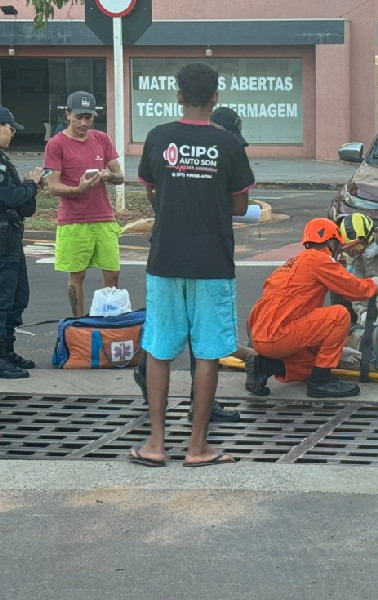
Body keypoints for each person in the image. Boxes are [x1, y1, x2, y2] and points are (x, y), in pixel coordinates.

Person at [133, 62, 255, 468]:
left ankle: (154, 443)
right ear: (216, 97)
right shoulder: (229, 145)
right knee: (206, 354)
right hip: (212, 261)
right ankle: (198, 447)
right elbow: (240, 204)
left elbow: (152, 192)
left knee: (159, 349)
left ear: (179, 95)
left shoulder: (158, 137)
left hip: (164, 256)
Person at [246, 218, 378, 399]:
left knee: (314, 362)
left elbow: (302, 317)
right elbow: (353, 290)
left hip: (262, 335)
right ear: (331, 241)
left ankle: (263, 367)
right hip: (278, 334)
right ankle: (321, 382)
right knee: (339, 315)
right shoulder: (319, 259)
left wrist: (338, 352)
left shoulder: (294, 261)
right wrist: (373, 285)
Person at [44, 90, 125, 317]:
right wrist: (78, 189)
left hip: (104, 217)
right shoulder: (56, 144)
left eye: (88, 117)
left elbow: (120, 175)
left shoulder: (101, 139)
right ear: (68, 114)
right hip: (73, 220)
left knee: (113, 272)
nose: (83, 122)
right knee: (77, 275)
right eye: (78, 117)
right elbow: (53, 186)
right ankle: (78, 323)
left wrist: (108, 175)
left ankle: (107, 320)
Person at [0, 107, 44, 379]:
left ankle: (7, 350)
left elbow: (23, 206)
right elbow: (8, 197)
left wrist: (32, 187)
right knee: (3, 302)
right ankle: (1, 358)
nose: (12, 133)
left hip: (11, 240)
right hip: (2, 244)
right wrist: (29, 185)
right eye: (9, 127)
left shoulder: (5, 160)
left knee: (17, 298)